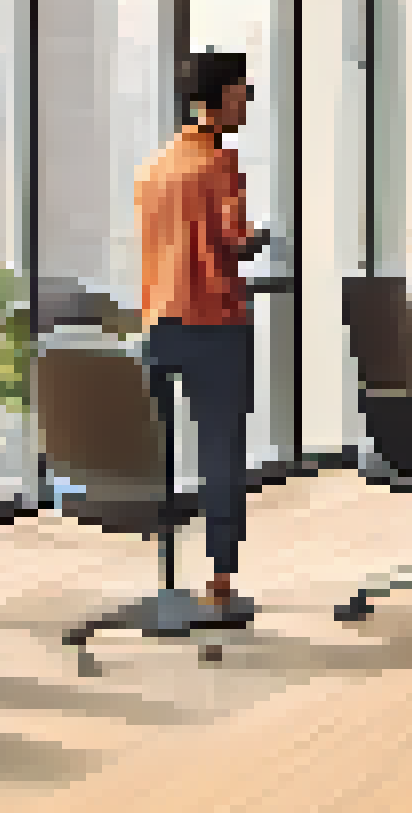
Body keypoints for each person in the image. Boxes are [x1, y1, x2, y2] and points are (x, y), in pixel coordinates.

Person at [135, 50, 269, 611]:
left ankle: (166, 574)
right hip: (214, 322)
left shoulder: (154, 166)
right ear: (219, 97)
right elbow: (234, 241)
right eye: (243, 93)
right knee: (220, 453)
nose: (248, 103)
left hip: (158, 324)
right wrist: (262, 239)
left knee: (158, 454)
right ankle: (219, 582)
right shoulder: (219, 162)